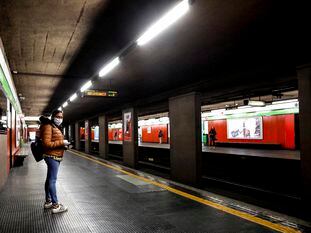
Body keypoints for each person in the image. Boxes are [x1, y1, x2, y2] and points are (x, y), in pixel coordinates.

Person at [40, 110, 70, 214]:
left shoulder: (54, 127)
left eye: (61, 117)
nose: (59, 119)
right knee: (52, 180)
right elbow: (46, 144)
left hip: (54, 155)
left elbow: (54, 142)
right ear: (53, 117)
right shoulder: (48, 126)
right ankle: (55, 205)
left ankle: (48, 201)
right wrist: (62, 142)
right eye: (57, 116)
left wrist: (64, 146)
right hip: (52, 156)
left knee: (49, 179)